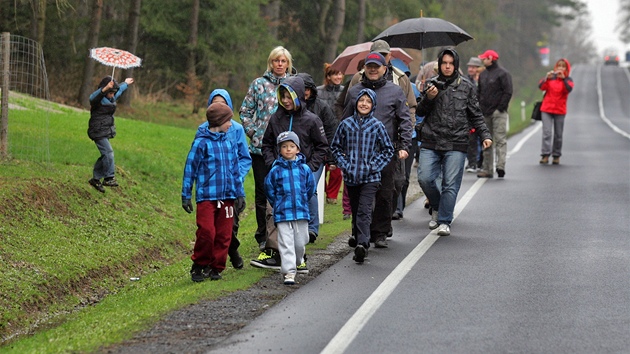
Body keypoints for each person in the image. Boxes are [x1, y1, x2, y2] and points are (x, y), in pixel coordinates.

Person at [254, 75, 328, 270]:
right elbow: (267, 144)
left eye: (290, 96)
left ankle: (299, 253)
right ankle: (274, 252)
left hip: (300, 175)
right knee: (273, 210)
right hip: (280, 174)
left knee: (298, 216)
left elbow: (322, 146)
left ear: (299, 96)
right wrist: (272, 165)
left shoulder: (311, 120)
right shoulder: (276, 118)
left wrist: (310, 167)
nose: (286, 101)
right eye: (283, 96)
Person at [417, 48, 493, 236]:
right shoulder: (431, 85)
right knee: (424, 178)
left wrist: (485, 135)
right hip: (431, 139)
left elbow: (475, 114)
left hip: (456, 141)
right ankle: (437, 206)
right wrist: (429, 98)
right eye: (444, 63)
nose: (448, 66)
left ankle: (444, 220)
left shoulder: (467, 87)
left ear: (456, 65)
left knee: (450, 183)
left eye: (451, 63)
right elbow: (419, 111)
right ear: (440, 65)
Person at [342, 52, 412, 248]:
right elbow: (345, 118)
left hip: (385, 151)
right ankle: (358, 232)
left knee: (384, 192)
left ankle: (380, 232)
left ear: (384, 68)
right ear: (365, 68)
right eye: (369, 66)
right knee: (356, 193)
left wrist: (404, 146)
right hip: (358, 151)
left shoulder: (395, 91)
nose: (373, 69)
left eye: (376, 66)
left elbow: (405, 120)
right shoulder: (355, 91)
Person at [331, 88, 394, 263]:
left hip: (370, 177)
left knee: (365, 209)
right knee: (356, 208)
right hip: (351, 176)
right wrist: (344, 164)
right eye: (361, 101)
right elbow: (335, 147)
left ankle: (363, 244)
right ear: (355, 102)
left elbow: (388, 150)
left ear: (373, 105)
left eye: (368, 101)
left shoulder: (377, 126)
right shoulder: (346, 124)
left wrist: (374, 166)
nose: (364, 104)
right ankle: (357, 234)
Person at [181, 102, 243, 282]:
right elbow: (189, 169)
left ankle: (216, 267)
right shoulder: (201, 143)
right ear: (219, 121)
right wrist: (186, 195)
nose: (231, 124)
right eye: (228, 121)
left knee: (224, 235)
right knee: (207, 232)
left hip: (228, 197)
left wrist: (239, 193)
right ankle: (200, 264)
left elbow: (235, 170)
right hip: (207, 197)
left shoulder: (229, 143)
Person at [239, 46, 292, 252]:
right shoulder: (258, 84)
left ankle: (282, 233)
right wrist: (253, 132)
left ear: (288, 64)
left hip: (285, 148)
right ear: (271, 63)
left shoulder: (292, 85)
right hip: (260, 149)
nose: (280, 64)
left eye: (283, 61)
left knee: (282, 192)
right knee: (262, 193)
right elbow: (245, 111)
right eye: (276, 60)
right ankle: (263, 234)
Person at [205, 89, 252, 269]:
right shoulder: (203, 129)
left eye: (222, 103)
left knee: (230, 225)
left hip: (232, 187)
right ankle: (213, 261)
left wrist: (235, 177)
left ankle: (232, 250)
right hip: (211, 187)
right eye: (214, 103)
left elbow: (244, 158)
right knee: (211, 226)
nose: (219, 106)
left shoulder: (236, 129)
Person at [264, 131, 315, 285]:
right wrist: (277, 204)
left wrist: (303, 201)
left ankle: (299, 260)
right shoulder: (275, 170)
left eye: (291, 146)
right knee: (286, 243)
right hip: (283, 213)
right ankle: (289, 272)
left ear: (297, 149)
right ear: (279, 149)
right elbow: (269, 189)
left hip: (301, 212)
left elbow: (310, 188)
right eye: (284, 146)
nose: (288, 149)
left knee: (300, 242)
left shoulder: (304, 169)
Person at [297, 72, 337, 242]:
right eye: (301, 89)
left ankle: (312, 228)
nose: (304, 92)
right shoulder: (290, 107)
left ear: (312, 90)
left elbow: (331, 131)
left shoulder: (322, 107)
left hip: (315, 156)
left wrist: (331, 158)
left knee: (310, 187)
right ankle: (299, 224)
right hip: (293, 155)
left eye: (307, 89)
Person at [87, 76, 134, 193]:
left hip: (104, 130)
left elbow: (119, 91)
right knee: (108, 153)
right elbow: (92, 97)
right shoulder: (98, 100)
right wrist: (105, 88)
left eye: (113, 93)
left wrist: (126, 83)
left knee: (105, 155)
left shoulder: (111, 98)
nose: (113, 95)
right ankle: (109, 178)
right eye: (110, 93)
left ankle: (96, 179)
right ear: (105, 90)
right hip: (97, 131)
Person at [477, 49, 513, 178]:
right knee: (486, 140)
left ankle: (500, 166)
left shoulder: (503, 74)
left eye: (484, 58)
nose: (482, 60)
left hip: (499, 112)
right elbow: (479, 93)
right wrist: (479, 109)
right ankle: (487, 169)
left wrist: (500, 108)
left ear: (491, 58)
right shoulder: (483, 75)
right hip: (485, 113)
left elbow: (508, 91)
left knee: (500, 140)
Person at [317, 65, 345, 206]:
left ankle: (332, 194)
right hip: (322, 132)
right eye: (335, 74)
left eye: (340, 74)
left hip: (339, 133)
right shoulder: (318, 91)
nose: (338, 77)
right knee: (322, 164)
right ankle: (319, 190)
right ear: (328, 77)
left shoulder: (345, 91)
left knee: (336, 167)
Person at [538, 58, 573, 165]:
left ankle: (556, 155)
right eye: (559, 66)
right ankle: (545, 154)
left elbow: (568, 90)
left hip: (560, 109)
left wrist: (563, 79)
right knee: (547, 132)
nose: (560, 68)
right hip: (547, 108)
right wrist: (546, 78)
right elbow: (541, 87)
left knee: (558, 134)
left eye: (563, 66)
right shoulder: (551, 78)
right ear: (556, 67)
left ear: (566, 69)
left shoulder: (568, 80)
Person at [465, 57, 484, 173]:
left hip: (482, 113)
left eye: (473, 67)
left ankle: (481, 162)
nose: (471, 69)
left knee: (482, 139)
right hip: (469, 114)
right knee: (470, 140)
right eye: (469, 67)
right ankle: (472, 163)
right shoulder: (465, 80)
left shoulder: (483, 80)